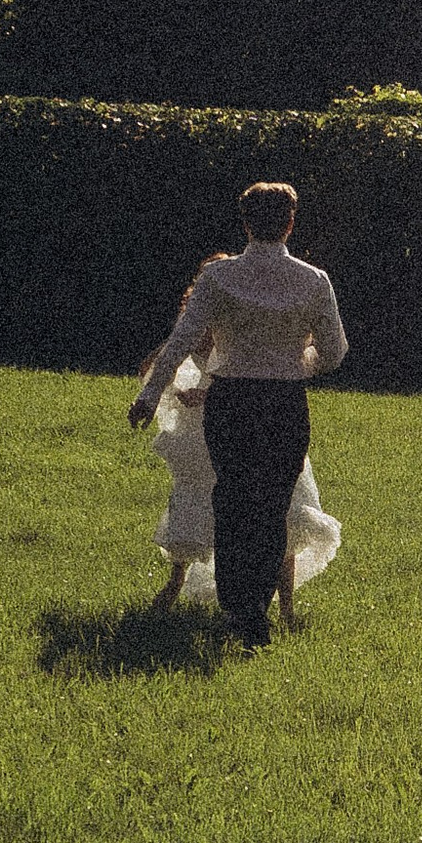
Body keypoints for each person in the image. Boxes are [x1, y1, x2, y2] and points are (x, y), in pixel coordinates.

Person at [128, 183, 347, 645]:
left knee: (231, 503)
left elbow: (182, 342)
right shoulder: (314, 280)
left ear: (246, 223)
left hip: (230, 402)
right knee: (271, 507)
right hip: (285, 404)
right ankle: (256, 614)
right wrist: (298, 361)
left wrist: (148, 397)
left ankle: (238, 610)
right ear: (290, 222)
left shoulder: (219, 279)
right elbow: (334, 353)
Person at [144, 348, 342, 624]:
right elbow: (157, 365)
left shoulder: (255, 324)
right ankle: (177, 581)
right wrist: (176, 388)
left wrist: (211, 395)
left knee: (285, 510)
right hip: (205, 427)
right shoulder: (198, 324)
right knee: (197, 502)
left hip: (256, 418)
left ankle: (286, 607)